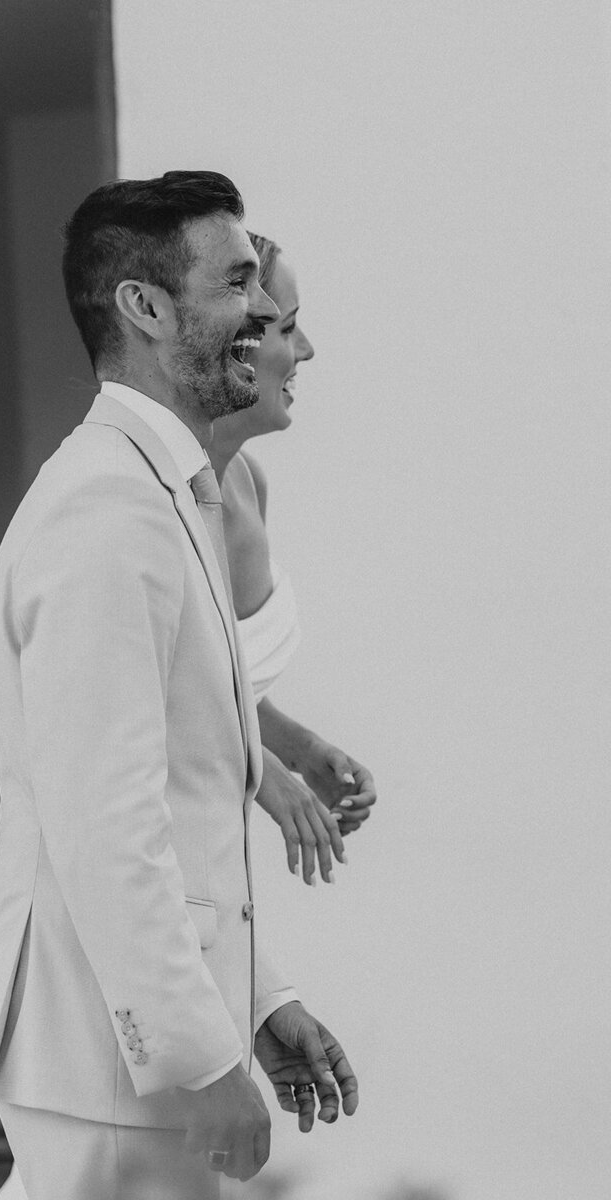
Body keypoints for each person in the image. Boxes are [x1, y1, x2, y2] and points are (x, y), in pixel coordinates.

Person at [0, 171, 358, 1200]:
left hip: (126, 1064)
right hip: (106, 1066)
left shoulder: (161, 492)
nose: (262, 316)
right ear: (144, 306)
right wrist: (197, 1055)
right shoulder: (105, 514)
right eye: (235, 285)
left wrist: (259, 1002)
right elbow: (105, 824)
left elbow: (190, 800)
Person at [212, 232, 377, 888]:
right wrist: (266, 778)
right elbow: (160, 694)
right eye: (290, 327)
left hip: (218, 836)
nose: (306, 351)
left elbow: (219, 683)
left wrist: (299, 749)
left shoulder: (248, 480)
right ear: (237, 344)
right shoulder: (152, 503)